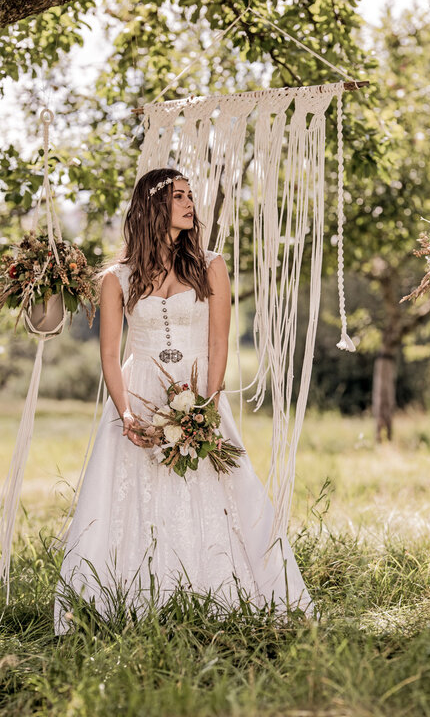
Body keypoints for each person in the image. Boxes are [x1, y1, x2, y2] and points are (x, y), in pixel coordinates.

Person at [54, 168, 311, 633]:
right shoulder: (117, 277)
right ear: (154, 208)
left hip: (199, 392)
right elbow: (110, 355)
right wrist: (126, 413)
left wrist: (205, 409)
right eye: (179, 196)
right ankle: (125, 602)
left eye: (191, 195)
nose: (190, 203)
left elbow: (219, 345)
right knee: (131, 495)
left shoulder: (211, 264)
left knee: (220, 490)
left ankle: (219, 596)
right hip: (139, 392)